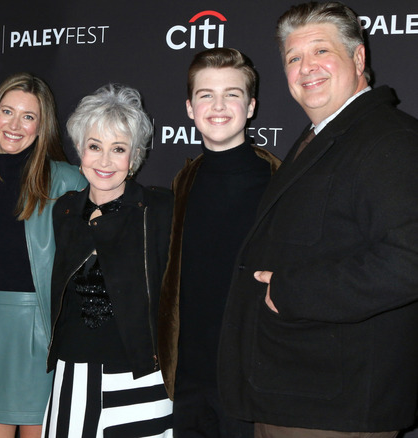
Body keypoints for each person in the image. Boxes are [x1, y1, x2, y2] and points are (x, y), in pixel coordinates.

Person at [217, 2, 418, 437]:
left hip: (333, 411)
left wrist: (292, 292)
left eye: (321, 51)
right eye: (293, 58)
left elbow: (409, 261)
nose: (306, 67)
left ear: (359, 58)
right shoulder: (325, 134)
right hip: (295, 396)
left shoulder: (390, 138)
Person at [0, 72, 87, 438]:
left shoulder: (69, 180)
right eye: (7, 112)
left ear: (42, 127)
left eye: (28, 116)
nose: (14, 125)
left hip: (46, 332)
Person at [159, 48, 280, 438]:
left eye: (232, 93)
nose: (218, 105)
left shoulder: (281, 182)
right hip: (187, 380)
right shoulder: (182, 182)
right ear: (190, 108)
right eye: (206, 94)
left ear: (251, 106)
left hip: (251, 383)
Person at [43, 83, 174, 437]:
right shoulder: (64, 210)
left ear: (134, 158)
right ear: (80, 151)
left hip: (142, 375)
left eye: (118, 149)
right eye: (94, 147)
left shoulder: (160, 210)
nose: (104, 161)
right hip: (74, 373)